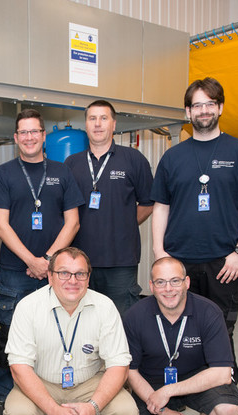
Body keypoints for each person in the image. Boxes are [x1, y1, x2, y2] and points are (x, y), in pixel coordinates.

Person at [150, 77, 238, 415]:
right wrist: (159, 253)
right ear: (187, 111)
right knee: (179, 330)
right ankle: (184, 391)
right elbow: (160, 208)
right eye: (196, 105)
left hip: (224, 262)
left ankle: (226, 396)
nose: (203, 110)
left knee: (221, 331)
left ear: (220, 108)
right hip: (179, 262)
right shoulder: (173, 157)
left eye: (209, 104)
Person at [0, 109, 84, 415]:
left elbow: (73, 222)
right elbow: (0, 225)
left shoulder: (62, 171)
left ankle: (50, 393)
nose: (29, 137)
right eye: (23, 132)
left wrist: (48, 261)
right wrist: (31, 260)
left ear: (43, 136)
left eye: (34, 132)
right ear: (16, 138)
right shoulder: (4, 173)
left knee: (56, 334)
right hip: (16, 271)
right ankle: (2, 395)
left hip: (57, 274)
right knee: (8, 334)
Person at [3, 247, 138, 415]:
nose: (72, 280)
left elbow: (119, 365)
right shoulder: (27, 307)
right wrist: (53, 410)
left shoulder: (105, 306)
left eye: (80, 274)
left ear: (88, 277)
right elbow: (19, 367)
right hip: (42, 381)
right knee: (18, 414)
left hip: (89, 382)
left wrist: (93, 407)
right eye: (64, 273)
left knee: (126, 412)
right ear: (50, 276)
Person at [122, 257, 238, 415]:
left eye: (175, 281)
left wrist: (170, 390)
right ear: (151, 286)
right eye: (160, 282)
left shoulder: (209, 312)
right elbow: (131, 372)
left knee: (227, 411)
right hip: (152, 384)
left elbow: (222, 373)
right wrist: (163, 411)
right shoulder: (135, 316)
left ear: (187, 282)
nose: (168, 289)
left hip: (195, 379)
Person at [65, 100, 154, 315]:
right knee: (82, 320)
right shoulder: (71, 164)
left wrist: (124, 224)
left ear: (113, 124)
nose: (98, 124)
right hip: (79, 261)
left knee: (121, 321)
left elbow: (148, 203)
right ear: (85, 125)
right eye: (92, 118)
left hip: (121, 261)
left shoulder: (134, 160)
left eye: (104, 118)